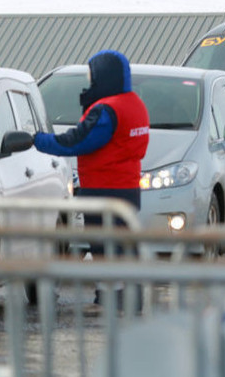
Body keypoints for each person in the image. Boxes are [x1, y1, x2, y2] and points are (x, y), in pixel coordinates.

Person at [33, 49, 150, 255]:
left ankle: (110, 287)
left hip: (103, 190)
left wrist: (38, 140)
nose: (90, 79)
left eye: (92, 74)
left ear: (103, 74)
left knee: (104, 250)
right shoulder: (136, 104)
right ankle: (124, 286)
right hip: (128, 189)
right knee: (122, 248)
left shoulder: (107, 109)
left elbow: (77, 141)